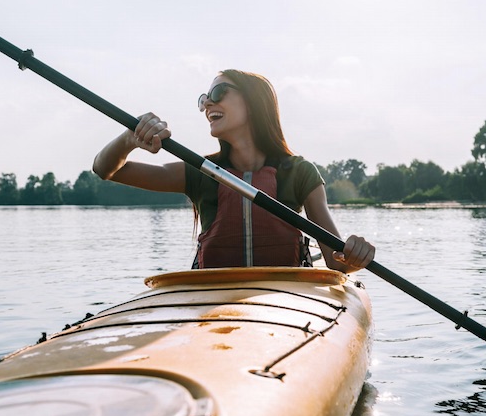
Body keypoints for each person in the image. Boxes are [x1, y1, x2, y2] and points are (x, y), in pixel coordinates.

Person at [93, 69, 375, 272]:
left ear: (254, 103)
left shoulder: (300, 172)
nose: (207, 104)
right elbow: (107, 170)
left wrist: (353, 257)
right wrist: (129, 139)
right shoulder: (199, 171)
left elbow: (333, 261)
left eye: (218, 93)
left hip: (286, 301)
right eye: (204, 98)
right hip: (214, 301)